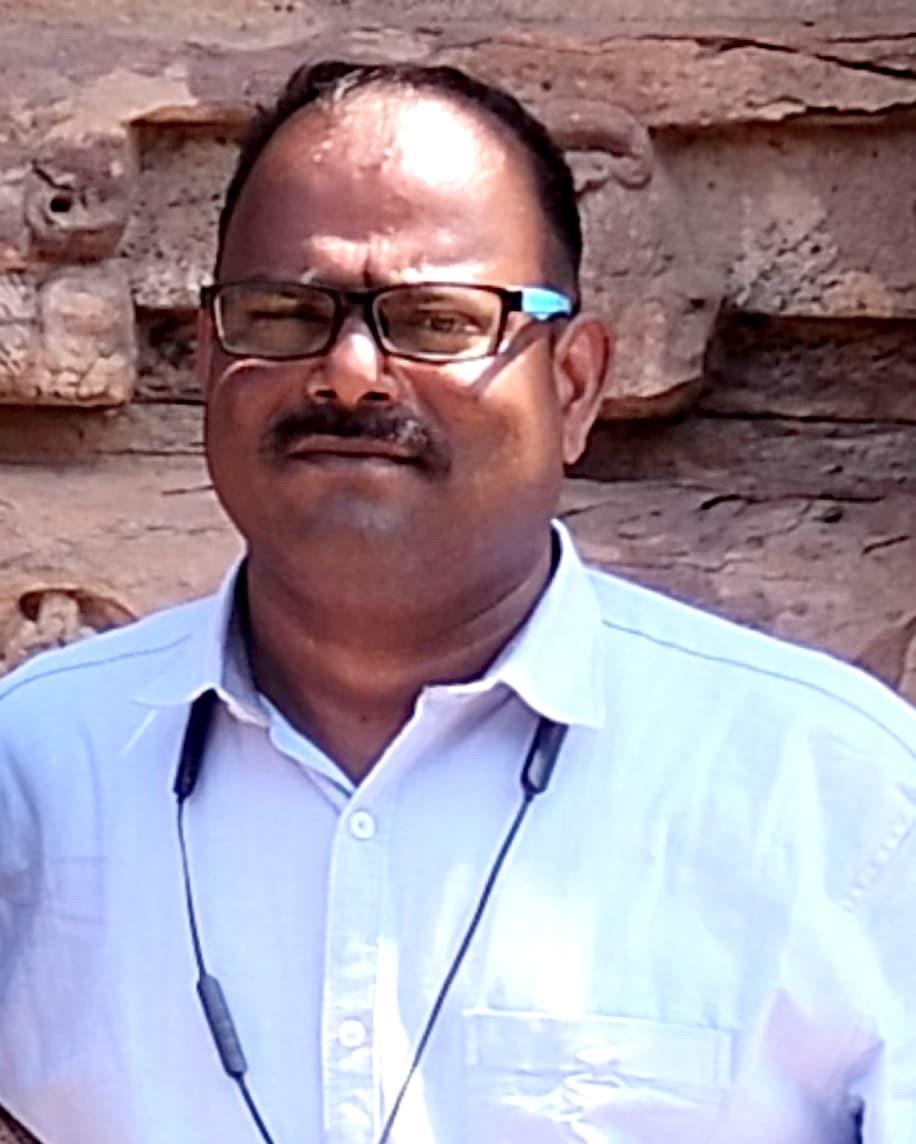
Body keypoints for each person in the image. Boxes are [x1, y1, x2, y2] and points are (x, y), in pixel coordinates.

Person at [1, 58, 914, 1144]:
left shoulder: (835, 800)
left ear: (574, 385)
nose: (349, 372)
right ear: (206, 363)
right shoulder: (35, 771)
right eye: (284, 313)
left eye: (436, 320)